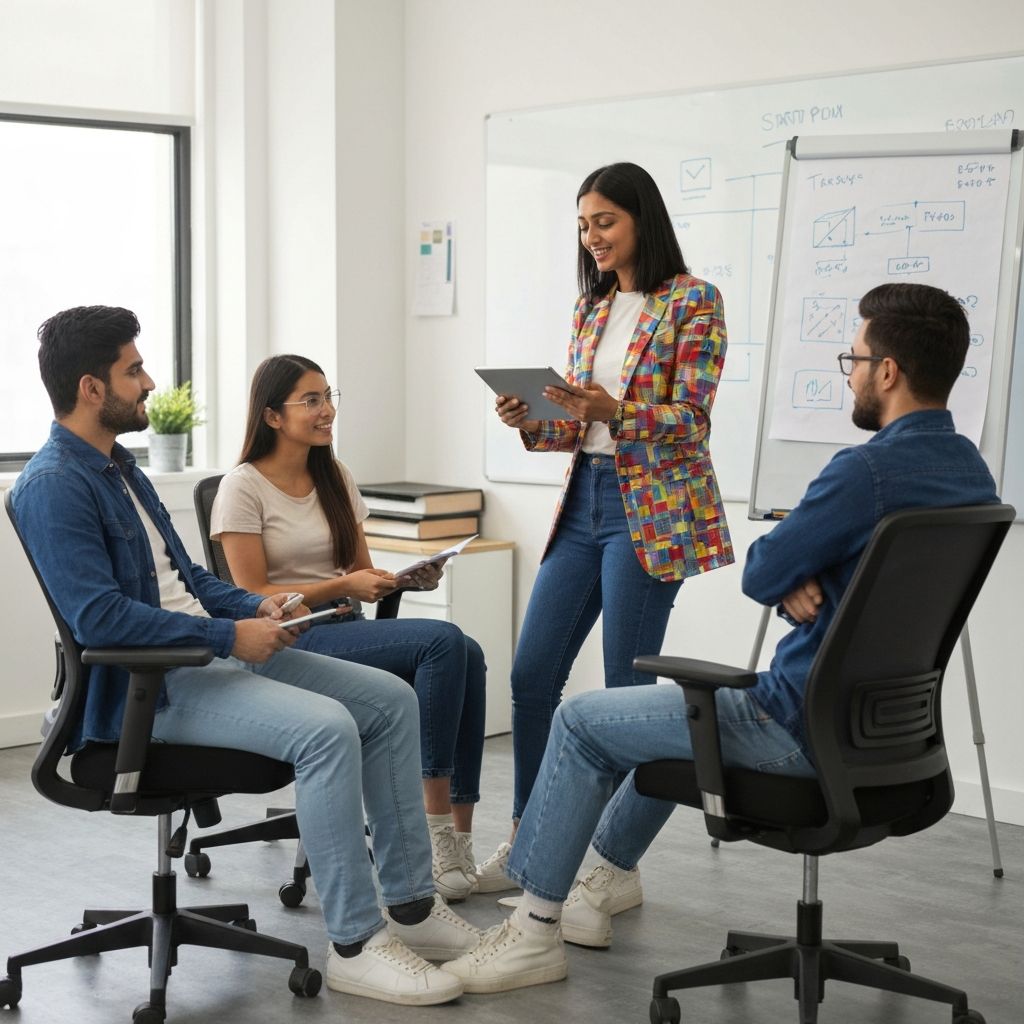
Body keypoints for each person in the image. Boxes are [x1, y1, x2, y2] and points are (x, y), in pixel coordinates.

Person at [442, 281, 999, 992]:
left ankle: (532, 933)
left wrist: (800, 560)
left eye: (853, 359)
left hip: (789, 724)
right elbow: (800, 572)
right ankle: (605, 879)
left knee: (584, 719)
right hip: (887, 739)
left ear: (887, 372)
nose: (851, 374)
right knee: (663, 717)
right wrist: (809, 562)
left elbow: (764, 567)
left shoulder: (865, 472)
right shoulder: (969, 471)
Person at [11, 306, 483, 1007]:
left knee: (391, 701)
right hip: (155, 687)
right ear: (90, 387)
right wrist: (230, 638)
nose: (146, 382)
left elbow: (190, 582)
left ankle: (411, 906)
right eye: (132, 370)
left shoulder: (120, 469)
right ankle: (355, 941)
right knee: (327, 730)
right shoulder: (55, 484)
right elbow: (100, 618)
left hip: (209, 651)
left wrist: (253, 607)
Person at [477, 162, 734, 902]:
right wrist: (534, 420)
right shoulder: (591, 307)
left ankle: (611, 867)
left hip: (648, 512)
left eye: (605, 222)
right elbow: (578, 426)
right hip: (585, 500)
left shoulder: (694, 301)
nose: (592, 237)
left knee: (627, 696)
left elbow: (691, 419)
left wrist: (611, 410)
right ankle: (532, 843)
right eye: (584, 224)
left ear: (641, 220)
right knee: (531, 678)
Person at [209, 354, 487, 901]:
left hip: (346, 626)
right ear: (271, 416)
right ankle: (431, 836)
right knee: (444, 641)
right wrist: (341, 588)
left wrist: (405, 579)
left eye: (328, 396)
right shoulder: (242, 487)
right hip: (293, 637)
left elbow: (360, 571)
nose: (326, 410)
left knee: (467, 652)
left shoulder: (334, 476)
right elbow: (249, 596)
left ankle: (458, 838)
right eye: (310, 401)